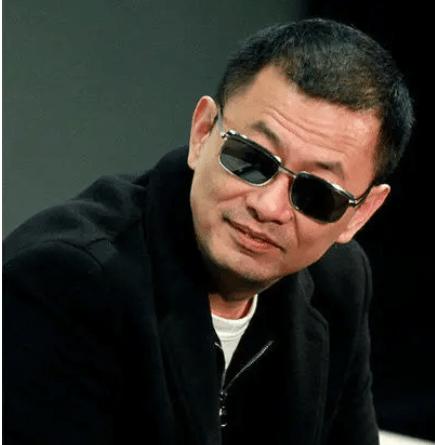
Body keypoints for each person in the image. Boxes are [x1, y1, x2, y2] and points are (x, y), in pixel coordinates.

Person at [3, 18, 413, 445]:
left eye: (316, 194)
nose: (268, 207)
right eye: (251, 159)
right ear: (202, 133)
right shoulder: (65, 279)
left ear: (360, 213)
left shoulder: (337, 283)